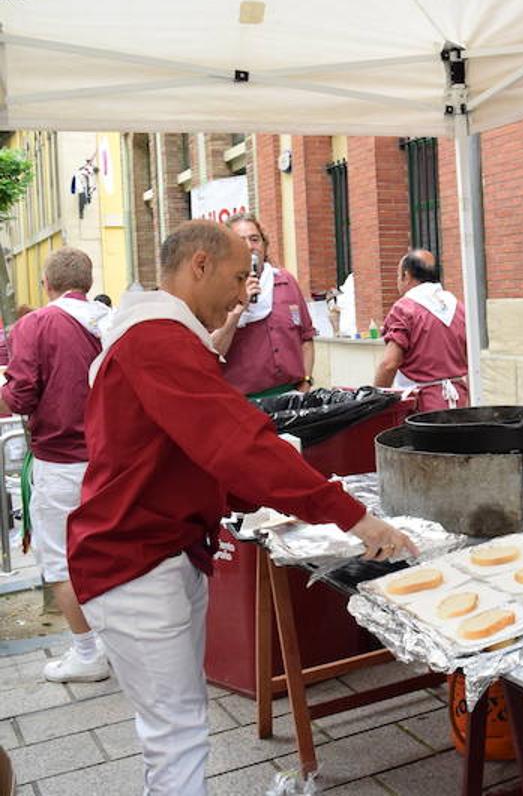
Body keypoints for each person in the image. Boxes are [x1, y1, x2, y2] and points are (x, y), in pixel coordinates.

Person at [67, 220, 416, 795]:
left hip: (159, 550)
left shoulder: (156, 334)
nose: (242, 294)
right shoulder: (158, 339)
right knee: (176, 729)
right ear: (198, 266)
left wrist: (269, 498)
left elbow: (191, 454)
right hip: (135, 560)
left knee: (176, 722)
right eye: (236, 277)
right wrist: (350, 512)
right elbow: (236, 441)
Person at [0, 247, 112, 682]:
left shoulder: (38, 323)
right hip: (111, 460)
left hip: (61, 460)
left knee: (61, 563)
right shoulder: (112, 320)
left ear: (46, 284)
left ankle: (87, 653)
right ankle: (116, 643)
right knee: (109, 554)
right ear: (86, 282)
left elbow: (22, 393)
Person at [210, 212, 315, 398]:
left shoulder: (285, 281)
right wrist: (238, 311)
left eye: (255, 239)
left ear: (265, 246)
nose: (250, 247)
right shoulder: (215, 292)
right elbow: (212, 353)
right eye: (241, 241)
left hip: (292, 396)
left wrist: (306, 381)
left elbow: (306, 339)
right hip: (244, 404)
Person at [374, 249, 468, 410]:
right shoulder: (458, 307)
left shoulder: (405, 308)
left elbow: (389, 364)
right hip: (458, 400)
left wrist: (375, 400)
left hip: (420, 405)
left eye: (398, 276)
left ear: (407, 275)